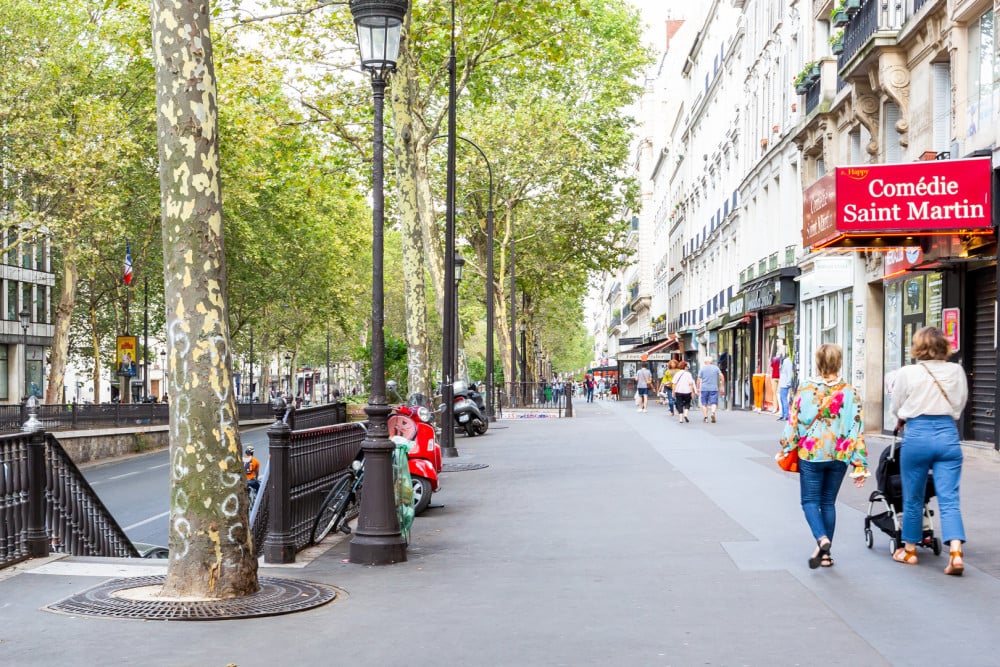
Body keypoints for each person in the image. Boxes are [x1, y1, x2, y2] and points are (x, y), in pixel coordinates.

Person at [780, 343, 868, 569]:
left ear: (818, 362)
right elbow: (856, 428)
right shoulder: (850, 391)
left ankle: (822, 540)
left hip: (811, 452)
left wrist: (787, 446)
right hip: (839, 453)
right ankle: (826, 555)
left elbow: (793, 421)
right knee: (828, 502)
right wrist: (859, 464)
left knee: (810, 501)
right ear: (839, 362)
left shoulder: (806, 388)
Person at [889, 326, 968, 575]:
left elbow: (897, 405)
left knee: (913, 497)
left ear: (918, 347)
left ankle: (910, 550)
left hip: (917, 435)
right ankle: (955, 551)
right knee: (950, 498)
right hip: (947, 434)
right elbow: (960, 402)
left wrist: (902, 417)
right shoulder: (956, 370)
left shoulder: (908, 372)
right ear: (944, 345)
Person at [697, 357, 724, 423]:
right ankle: (713, 412)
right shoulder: (716, 368)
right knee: (714, 402)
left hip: (704, 389)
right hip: (714, 388)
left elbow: (698, 379)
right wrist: (722, 386)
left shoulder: (702, 369)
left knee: (704, 403)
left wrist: (698, 388)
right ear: (711, 362)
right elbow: (722, 377)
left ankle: (706, 417)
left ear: (705, 362)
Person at [778, 354, 795, 421]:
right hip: (782, 383)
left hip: (785, 383)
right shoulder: (783, 362)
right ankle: (783, 414)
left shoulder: (787, 362)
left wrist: (788, 382)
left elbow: (789, 373)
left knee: (784, 399)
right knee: (782, 399)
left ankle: (786, 415)